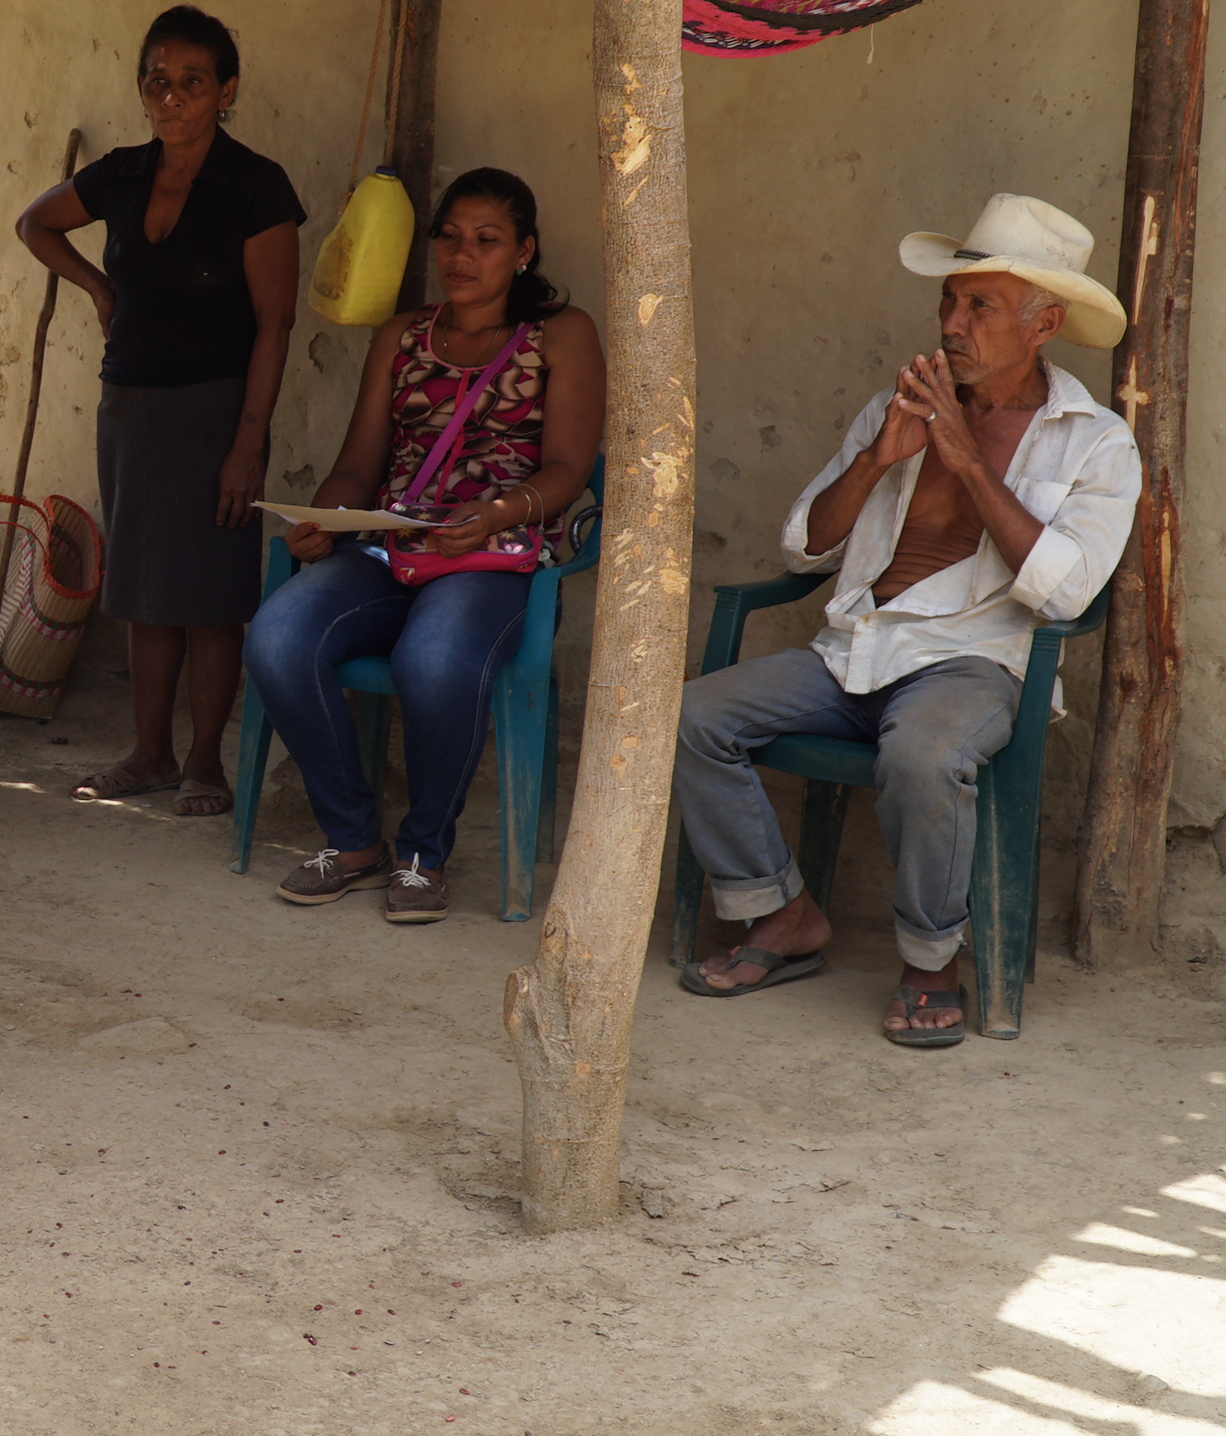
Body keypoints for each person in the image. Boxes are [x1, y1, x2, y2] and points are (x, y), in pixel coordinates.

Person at [675, 193, 1139, 1045]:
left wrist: (966, 462)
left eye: (979, 306)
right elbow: (803, 548)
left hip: (972, 663)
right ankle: (781, 914)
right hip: (857, 646)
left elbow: (1067, 593)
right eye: (949, 301)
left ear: (1042, 324)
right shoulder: (905, 403)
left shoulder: (1096, 443)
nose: (952, 323)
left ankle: (932, 962)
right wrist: (875, 459)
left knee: (923, 752)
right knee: (693, 715)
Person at [243, 170, 607, 923]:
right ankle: (352, 842)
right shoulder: (402, 336)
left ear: (524, 251)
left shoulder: (562, 334)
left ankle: (421, 855)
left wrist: (496, 510)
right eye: (450, 236)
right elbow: (357, 465)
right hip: (391, 547)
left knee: (433, 659)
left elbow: (569, 468)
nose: (462, 254)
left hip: (489, 553)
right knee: (279, 633)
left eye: (486, 240)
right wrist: (325, 519)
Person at [17, 4, 303, 817]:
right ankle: (149, 753)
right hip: (131, 406)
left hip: (218, 411)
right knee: (146, 589)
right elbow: (33, 222)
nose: (172, 97)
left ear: (226, 91)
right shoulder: (122, 173)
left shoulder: (256, 186)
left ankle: (204, 763)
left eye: (192, 82)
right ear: (140, 88)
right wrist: (99, 287)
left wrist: (249, 441)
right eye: (158, 80)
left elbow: (275, 324)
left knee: (211, 594)